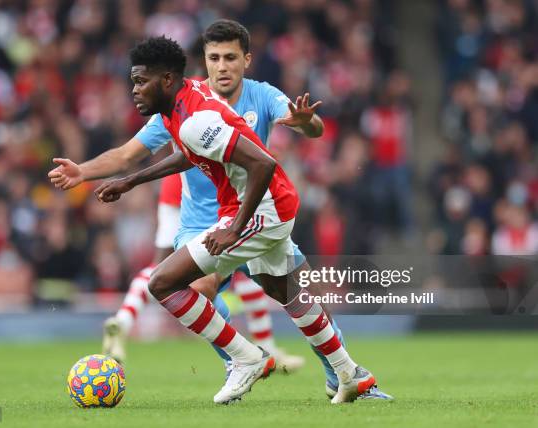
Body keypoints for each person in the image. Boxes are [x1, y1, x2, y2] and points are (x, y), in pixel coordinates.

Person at [49, 19, 392, 401]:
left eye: (140, 82)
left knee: (163, 283)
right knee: (288, 290)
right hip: (244, 210)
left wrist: (235, 228)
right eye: (214, 58)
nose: (134, 90)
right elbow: (183, 152)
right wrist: (124, 180)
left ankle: (245, 359)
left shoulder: (217, 111)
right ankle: (349, 375)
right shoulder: (182, 104)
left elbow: (262, 163)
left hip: (256, 210)